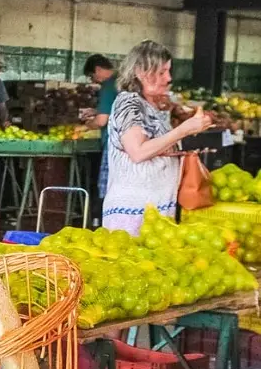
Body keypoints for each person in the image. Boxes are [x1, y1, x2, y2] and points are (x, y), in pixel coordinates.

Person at [101, 39, 212, 235]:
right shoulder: (128, 104)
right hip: (133, 214)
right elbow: (138, 152)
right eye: (161, 72)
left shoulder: (151, 105)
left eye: (168, 71)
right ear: (139, 72)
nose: (168, 78)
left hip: (157, 211)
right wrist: (183, 130)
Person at [80, 53, 118, 197]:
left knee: (108, 189)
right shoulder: (122, 81)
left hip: (113, 144)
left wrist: (86, 126)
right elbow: (116, 109)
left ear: (97, 69)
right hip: (129, 142)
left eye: (92, 76)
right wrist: (97, 110)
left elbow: (102, 121)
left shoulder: (108, 86)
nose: (93, 80)